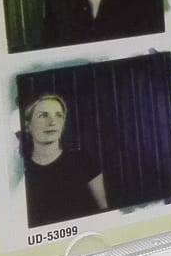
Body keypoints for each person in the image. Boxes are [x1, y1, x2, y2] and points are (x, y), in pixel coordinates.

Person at [20, 93, 107, 228]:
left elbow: (104, 210)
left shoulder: (82, 161)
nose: (52, 122)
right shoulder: (19, 172)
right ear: (27, 126)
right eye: (43, 115)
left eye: (59, 115)